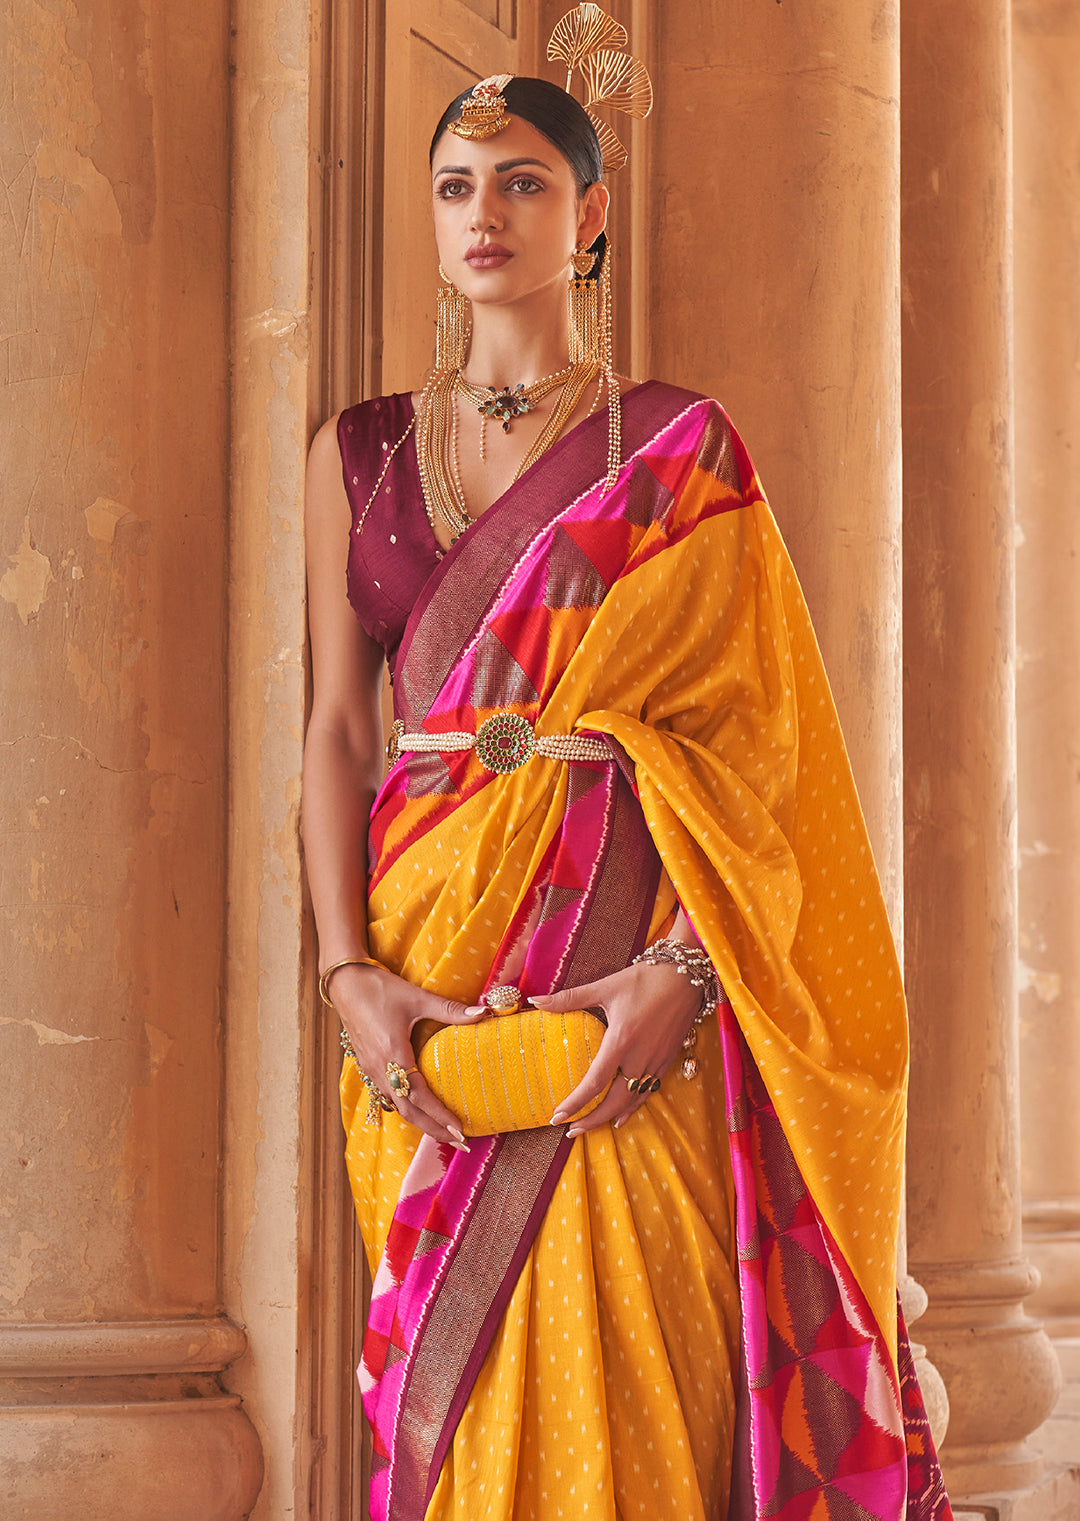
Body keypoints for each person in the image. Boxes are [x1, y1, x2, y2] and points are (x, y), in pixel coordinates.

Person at [302, 40, 953, 1521]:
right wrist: (348, 975)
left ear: (588, 217)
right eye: (457, 185)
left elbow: (762, 751)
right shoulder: (358, 454)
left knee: (651, 1395)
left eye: (524, 184)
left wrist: (677, 967)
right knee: (458, 1418)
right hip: (425, 976)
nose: (486, 213)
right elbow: (339, 735)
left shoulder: (676, 445)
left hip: (629, 999)